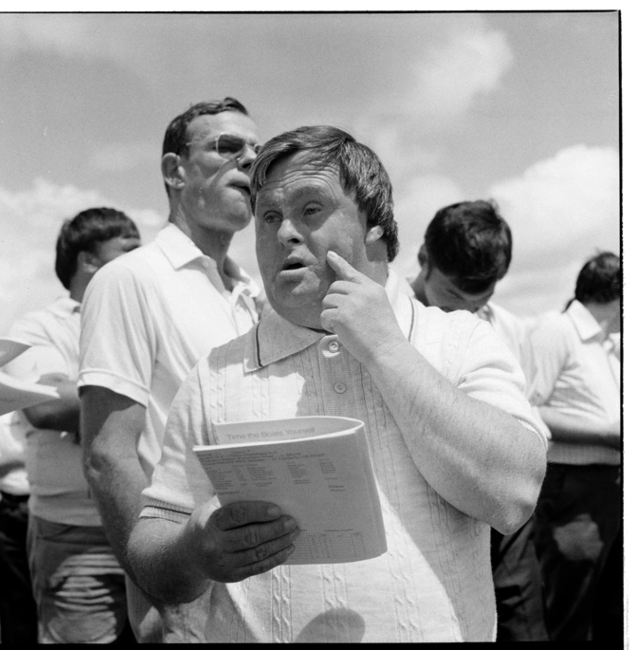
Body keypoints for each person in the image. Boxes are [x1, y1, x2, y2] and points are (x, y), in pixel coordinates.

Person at [126, 125, 548, 642]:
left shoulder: (459, 340)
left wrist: (386, 349)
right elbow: (149, 552)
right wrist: (194, 550)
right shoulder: (213, 375)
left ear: (376, 225)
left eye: (310, 210)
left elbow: (514, 495)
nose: (284, 233)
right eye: (270, 217)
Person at [78, 97, 263, 642]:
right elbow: (108, 455)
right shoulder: (129, 279)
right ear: (174, 170)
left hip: (265, 586)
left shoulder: (254, 293)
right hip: (190, 595)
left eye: (258, 151)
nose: (250, 161)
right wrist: (169, 593)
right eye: (227, 147)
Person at [409, 200, 548, 641]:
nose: (465, 313)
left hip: (508, 526)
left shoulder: (511, 330)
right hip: (428, 515)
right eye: (452, 296)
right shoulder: (391, 326)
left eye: (481, 300)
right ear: (423, 259)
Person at [3, 207, 141, 644]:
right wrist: (142, 392)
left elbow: (66, 401)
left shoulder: (145, 317)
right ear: (89, 261)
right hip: (77, 536)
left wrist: (85, 400)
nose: (143, 263)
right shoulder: (36, 327)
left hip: (152, 525)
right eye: (129, 251)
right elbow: (43, 408)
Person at [530, 251, 621, 641]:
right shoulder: (557, 329)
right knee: (571, 613)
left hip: (607, 490)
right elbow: (529, 409)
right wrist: (606, 432)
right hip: (572, 491)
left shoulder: (608, 343)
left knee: (609, 611)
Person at [0, 412, 38, 645]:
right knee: (14, 598)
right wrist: (21, 457)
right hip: (12, 508)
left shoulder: (55, 420)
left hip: (49, 509)